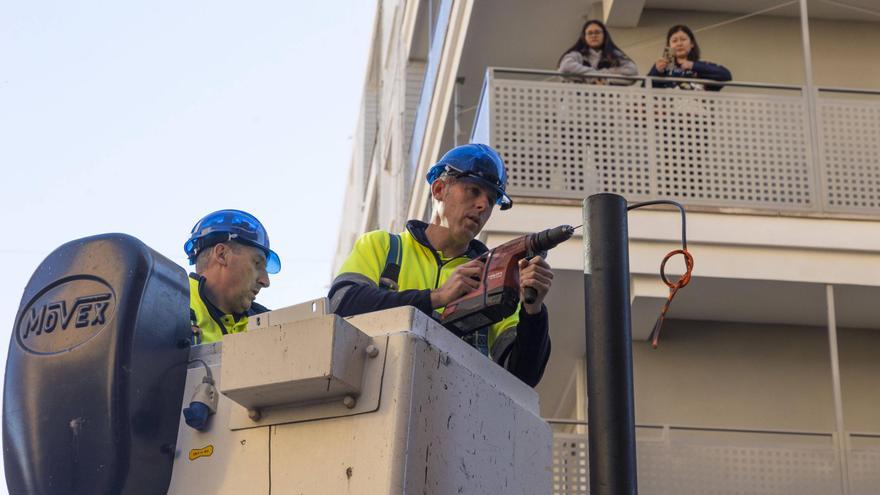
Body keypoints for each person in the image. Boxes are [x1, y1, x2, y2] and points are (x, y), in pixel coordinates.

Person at [328, 144, 553, 387]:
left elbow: (521, 376)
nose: (483, 205)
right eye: (473, 191)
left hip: (458, 416)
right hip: (378, 405)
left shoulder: (495, 280)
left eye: (491, 200)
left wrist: (534, 311)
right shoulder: (383, 246)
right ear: (438, 189)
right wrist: (437, 297)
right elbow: (342, 302)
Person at [184, 209, 281, 344]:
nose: (265, 281)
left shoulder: (268, 322)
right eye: (257, 263)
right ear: (222, 255)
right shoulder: (169, 303)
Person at [647, 24, 732, 91]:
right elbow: (644, 90)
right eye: (674, 41)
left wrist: (693, 66)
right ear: (669, 46)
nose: (679, 44)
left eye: (683, 39)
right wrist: (656, 71)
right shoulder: (662, 68)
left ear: (692, 44)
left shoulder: (700, 67)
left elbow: (726, 75)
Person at [557, 20, 638, 85]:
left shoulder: (614, 55)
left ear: (604, 35)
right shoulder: (577, 55)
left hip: (608, 102)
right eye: (590, 33)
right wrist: (594, 76)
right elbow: (565, 67)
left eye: (597, 32)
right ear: (584, 37)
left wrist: (605, 76)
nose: (594, 36)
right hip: (576, 101)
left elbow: (632, 71)